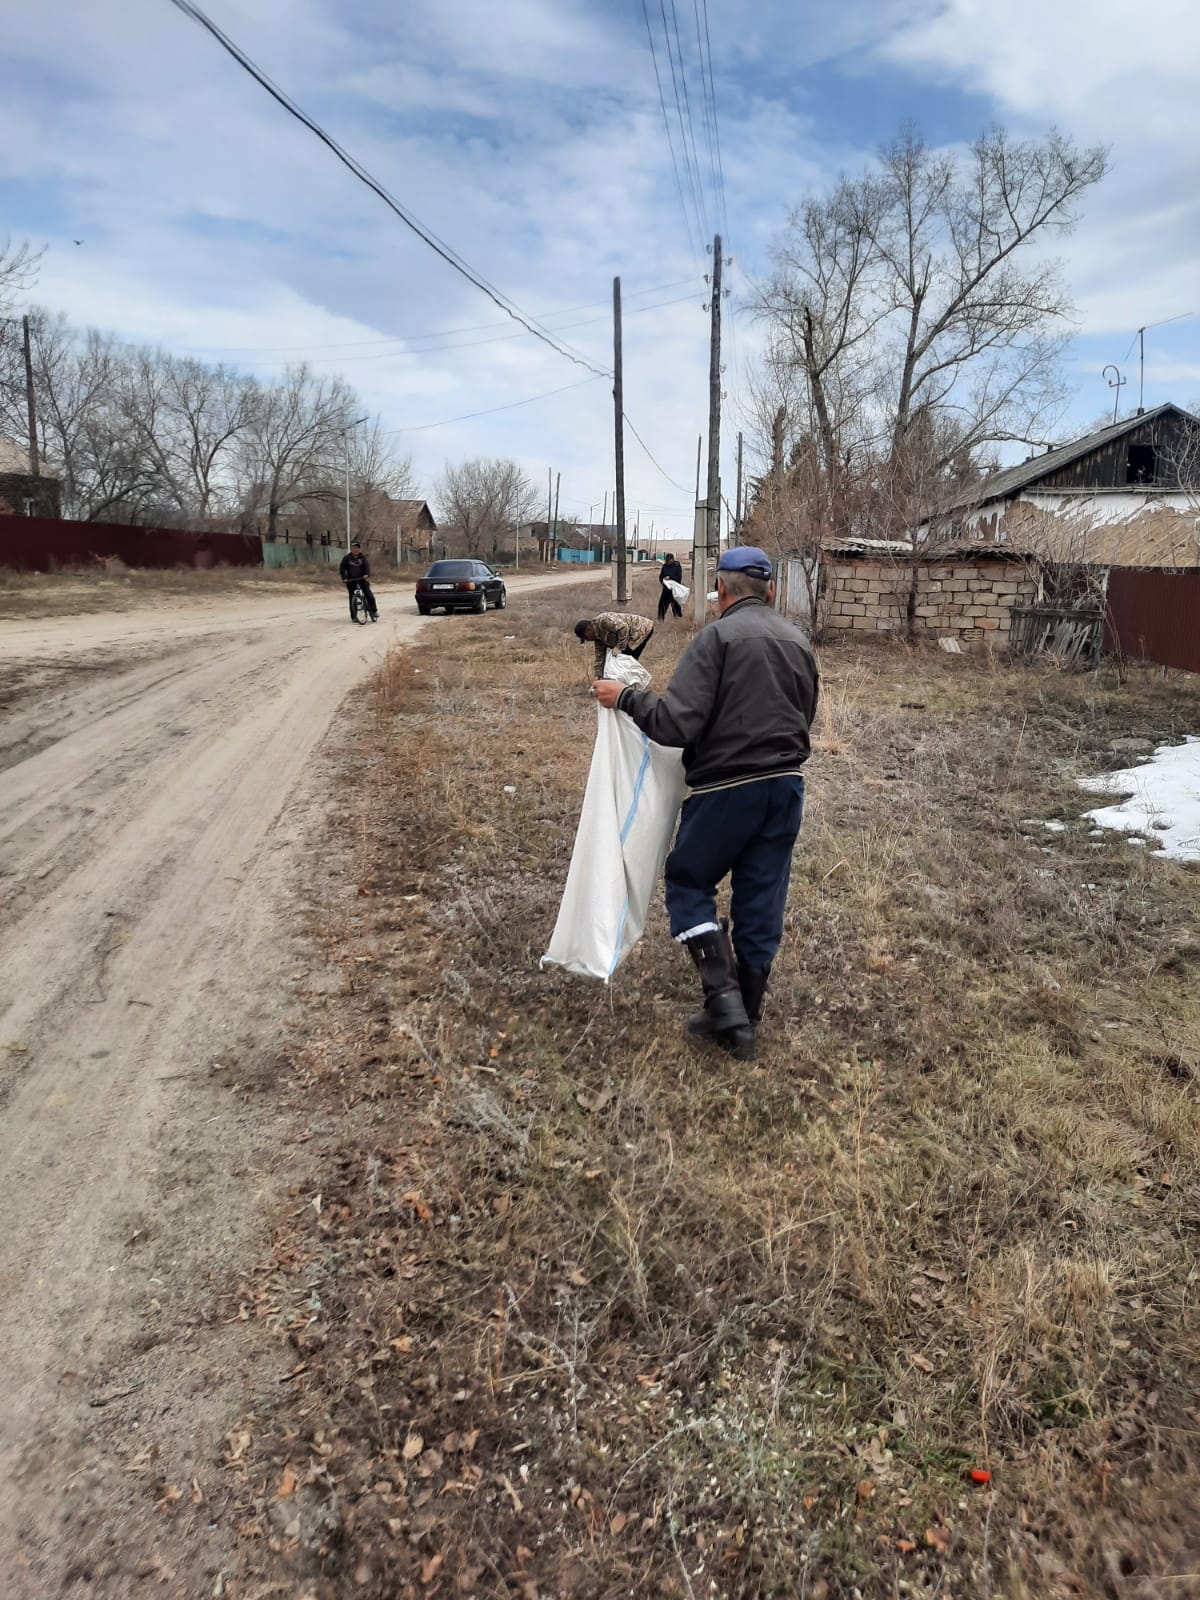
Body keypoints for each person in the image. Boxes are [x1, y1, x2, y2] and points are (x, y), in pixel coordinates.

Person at [592, 547, 818, 1061]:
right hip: (786, 788)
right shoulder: (799, 642)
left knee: (689, 881)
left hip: (725, 790)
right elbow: (806, 713)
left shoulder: (715, 639)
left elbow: (676, 724)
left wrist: (624, 697)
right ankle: (747, 1019)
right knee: (761, 900)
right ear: (772, 591)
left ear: (722, 592)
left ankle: (724, 1002)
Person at [574, 612, 655, 679]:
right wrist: (597, 676)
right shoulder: (597, 638)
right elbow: (600, 657)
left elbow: (623, 627)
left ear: (589, 629)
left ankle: (636, 683)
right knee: (623, 660)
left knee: (628, 660)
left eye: (586, 637)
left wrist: (619, 648)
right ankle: (629, 683)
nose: (587, 640)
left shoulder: (603, 621)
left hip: (641, 629)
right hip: (629, 636)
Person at [339, 541, 377, 621]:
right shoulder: (347, 558)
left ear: (359, 549)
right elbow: (342, 569)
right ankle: (354, 617)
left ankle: (374, 611)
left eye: (357, 548)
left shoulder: (363, 558)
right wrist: (344, 578)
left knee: (368, 594)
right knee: (352, 597)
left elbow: (367, 567)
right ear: (352, 549)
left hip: (362, 579)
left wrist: (366, 574)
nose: (355, 549)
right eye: (354, 548)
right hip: (351, 580)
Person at [658, 552, 684, 621]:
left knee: (676, 606)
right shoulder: (664, 566)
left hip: (675, 590)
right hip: (666, 589)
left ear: (672, 559)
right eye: (666, 561)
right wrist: (663, 581)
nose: (667, 562)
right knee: (662, 605)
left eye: (668, 561)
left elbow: (679, 577)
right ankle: (660, 619)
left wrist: (670, 578)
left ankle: (678, 619)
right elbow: (661, 577)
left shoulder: (677, 566)